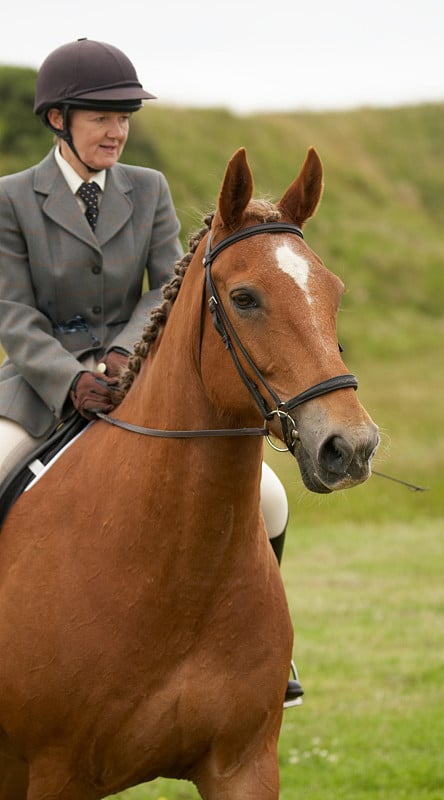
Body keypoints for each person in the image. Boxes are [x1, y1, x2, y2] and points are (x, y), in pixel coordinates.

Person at [0, 38, 303, 704]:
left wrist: (122, 356)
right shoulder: (13, 198)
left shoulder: (149, 188)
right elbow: (12, 312)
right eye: (102, 117)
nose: (117, 130)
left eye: (124, 116)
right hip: (36, 389)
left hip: (136, 380)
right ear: (59, 119)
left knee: (271, 498)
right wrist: (67, 376)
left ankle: (267, 655)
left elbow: (170, 282)